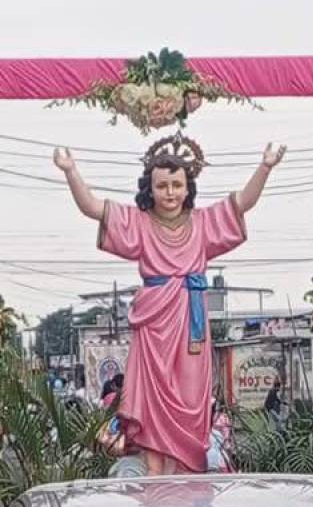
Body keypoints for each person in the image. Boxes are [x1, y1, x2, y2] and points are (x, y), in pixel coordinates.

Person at [55, 134, 286, 476]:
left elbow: (241, 204)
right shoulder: (140, 222)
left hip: (191, 323)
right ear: (151, 188)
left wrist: (264, 167)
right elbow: (92, 207)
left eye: (177, 184)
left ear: (187, 186)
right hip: (154, 324)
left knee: (190, 399)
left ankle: (185, 472)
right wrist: (70, 171)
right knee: (151, 399)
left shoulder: (203, 223)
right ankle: (154, 474)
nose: (170, 192)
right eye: (162, 185)